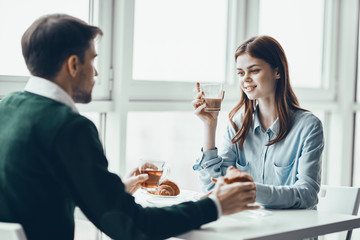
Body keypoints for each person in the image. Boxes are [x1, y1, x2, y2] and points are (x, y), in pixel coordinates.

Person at [0, 14, 258, 240]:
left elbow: (34, 193)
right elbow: (135, 228)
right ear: (73, 65)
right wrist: (215, 205)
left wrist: (111, 191)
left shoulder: (7, 107)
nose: (96, 74)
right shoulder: (70, 127)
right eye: (92, 60)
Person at [192, 35, 324, 209]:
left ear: (277, 71)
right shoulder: (237, 127)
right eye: (241, 73)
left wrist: (252, 191)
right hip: (250, 228)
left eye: (254, 71)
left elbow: (307, 195)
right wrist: (209, 126)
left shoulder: (308, 126)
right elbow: (213, 189)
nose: (245, 79)